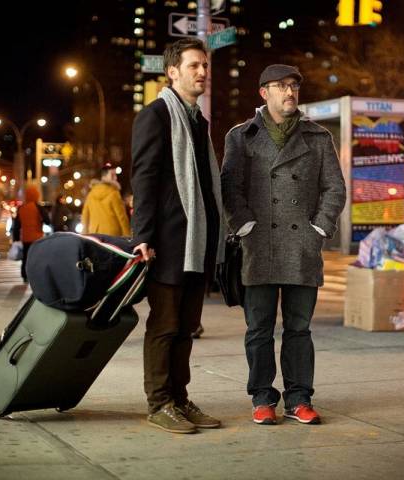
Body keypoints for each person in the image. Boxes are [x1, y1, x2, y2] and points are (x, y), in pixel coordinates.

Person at [221, 64, 346, 425]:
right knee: (258, 328)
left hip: (301, 245)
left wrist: (319, 228)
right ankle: (262, 397)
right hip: (258, 244)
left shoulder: (318, 136)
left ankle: (299, 397)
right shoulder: (241, 137)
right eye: (281, 86)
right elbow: (230, 186)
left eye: (293, 86)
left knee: (299, 328)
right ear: (264, 93)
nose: (289, 92)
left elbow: (334, 187)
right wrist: (243, 225)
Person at [131, 38, 225, 434]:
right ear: (172, 71)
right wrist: (143, 236)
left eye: (205, 65)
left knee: (186, 328)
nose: (202, 72)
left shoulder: (198, 121)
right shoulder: (156, 115)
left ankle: (180, 399)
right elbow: (145, 177)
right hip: (169, 242)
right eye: (193, 66)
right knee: (165, 325)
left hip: (197, 241)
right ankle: (159, 403)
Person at [81, 164, 131, 237]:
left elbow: (85, 216)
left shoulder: (91, 194)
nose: (115, 178)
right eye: (112, 175)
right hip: (113, 235)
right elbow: (122, 217)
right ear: (104, 177)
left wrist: (84, 234)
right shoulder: (114, 193)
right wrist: (127, 235)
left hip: (95, 233)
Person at [12, 185, 48, 282]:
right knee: (37, 258)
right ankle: (36, 275)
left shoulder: (21, 208)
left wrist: (15, 239)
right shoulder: (38, 207)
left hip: (26, 238)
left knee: (26, 257)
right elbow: (47, 220)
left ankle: (24, 276)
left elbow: (16, 225)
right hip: (37, 238)